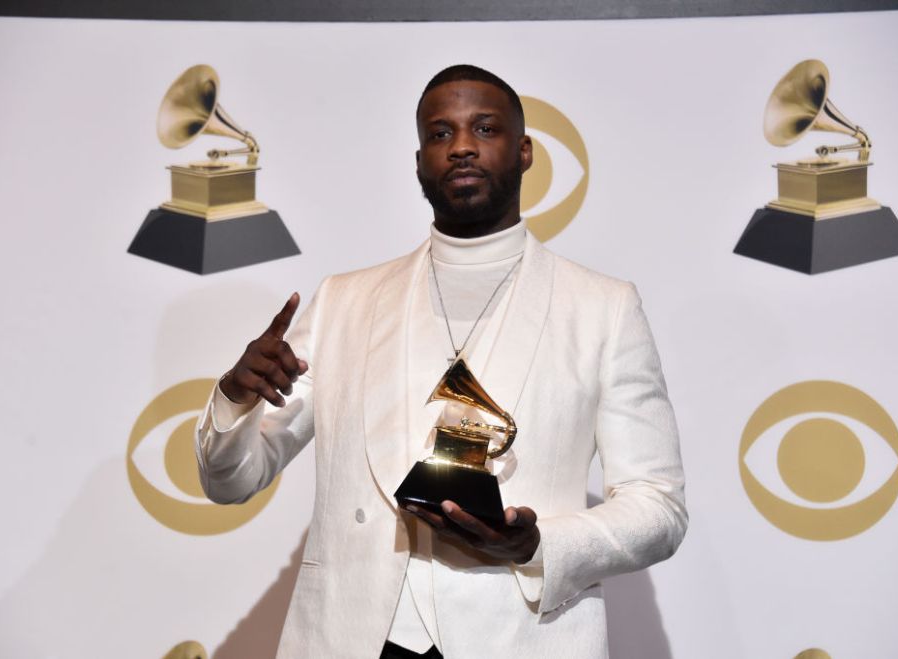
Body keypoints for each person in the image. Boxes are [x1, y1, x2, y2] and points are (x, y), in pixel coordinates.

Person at [195, 64, 687, 659]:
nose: (460, 147)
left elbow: (657, 505)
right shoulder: (343, 302)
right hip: (350, 638)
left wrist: (538, 546)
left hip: (519, 637)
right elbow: (232, 481)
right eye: (439, 133)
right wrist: (235, 397)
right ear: (420, 159)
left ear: (524, 151)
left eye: (484, 129)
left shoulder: (603, 309)